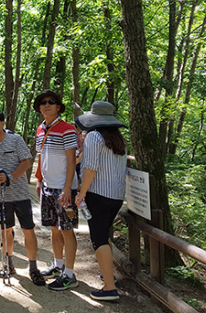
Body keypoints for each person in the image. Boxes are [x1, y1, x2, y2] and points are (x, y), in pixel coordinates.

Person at [0, 108, 45, 287]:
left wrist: (10, 176)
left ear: (3, 123)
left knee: (28, 229)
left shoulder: (15, 140)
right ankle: (8, 264)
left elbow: (27, 161)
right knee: (5, 230)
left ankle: (33, 268)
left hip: (20, 194)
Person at [74, 102, 128, 301]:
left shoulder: (94, 137)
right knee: (104, 235)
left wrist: (82, 192)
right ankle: (107, 273)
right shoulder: (119, 140)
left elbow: (90, 168)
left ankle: (109, 288)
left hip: (98, 194)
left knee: (98, 239)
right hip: (116, 196)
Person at [33, 89, 80, 291]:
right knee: (53, 228)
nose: (47, 104)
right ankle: (58, 265)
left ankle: (69, 274)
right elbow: (41, 156)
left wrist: (68, 188)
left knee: (67, 230)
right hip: (47, 187)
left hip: (64, 189)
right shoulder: (41, 129)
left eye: (52, 101)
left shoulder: (67, 128)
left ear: (59, 106)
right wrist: (38, 180)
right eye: (43, 102)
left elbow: (71, 160)